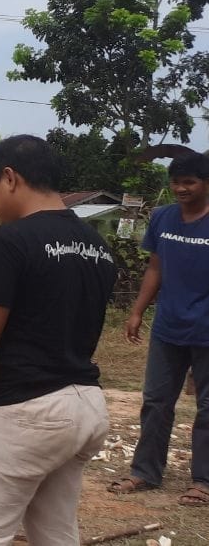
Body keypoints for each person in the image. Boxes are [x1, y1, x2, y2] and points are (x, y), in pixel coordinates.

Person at [0, 135, 117, 544]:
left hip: (24, 414)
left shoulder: (10, 240)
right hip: (85, 406)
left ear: (10, 178)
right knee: (55, 533)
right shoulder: (98, 247)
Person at [110, 153, 209, 506]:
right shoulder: (163, 217)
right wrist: (137, 311)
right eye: (176, 182)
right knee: (155, 401)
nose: (181, 189)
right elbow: (155, 267)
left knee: (207, 408)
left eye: (190, 182)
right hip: (168, 328)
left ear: (206, 183)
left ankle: (202, 481)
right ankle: (145, 472)